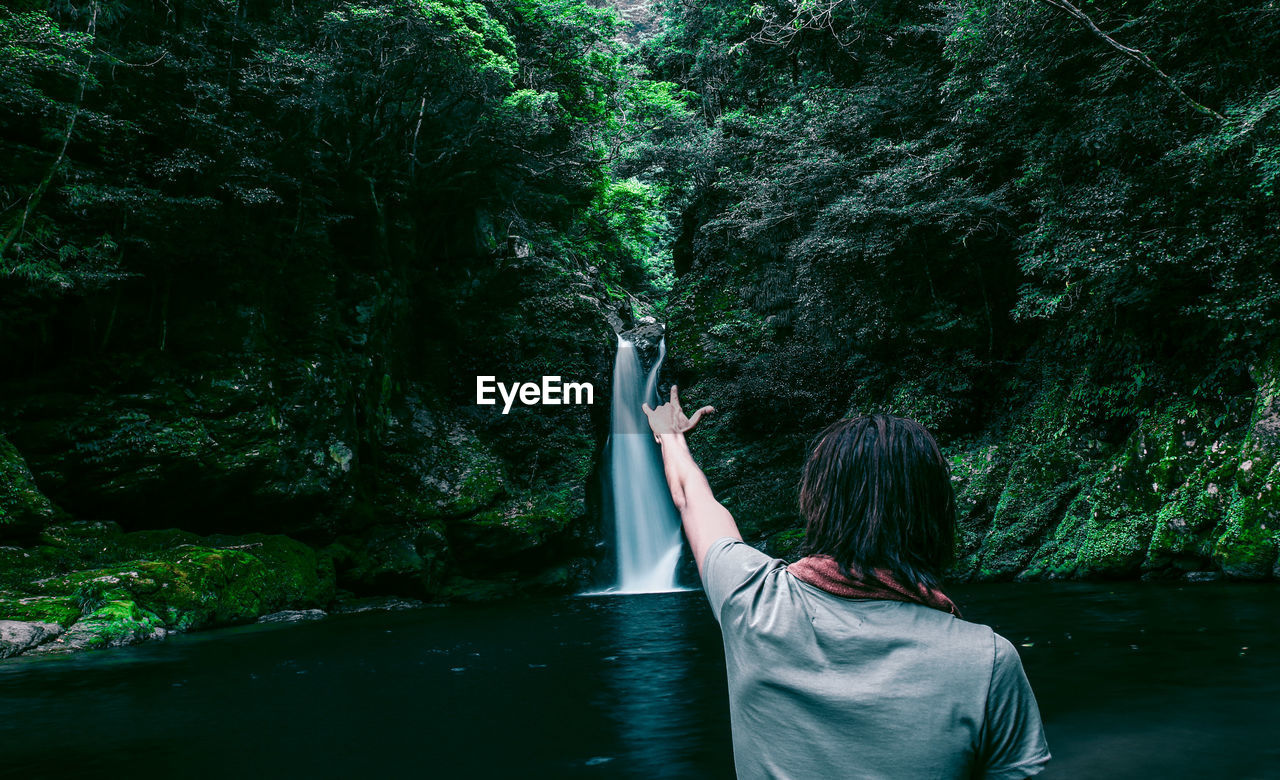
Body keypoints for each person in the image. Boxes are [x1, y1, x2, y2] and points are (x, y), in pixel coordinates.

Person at [641, 387, 1051, 780]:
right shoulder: (988, 663)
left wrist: (670, 436)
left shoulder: (752, 601)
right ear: (936, 513)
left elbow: (692, 499)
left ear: (816, 503)